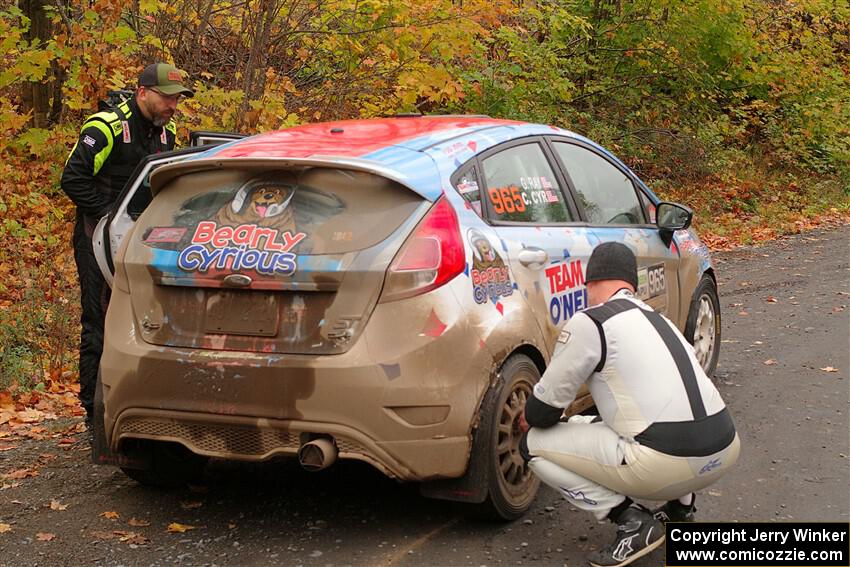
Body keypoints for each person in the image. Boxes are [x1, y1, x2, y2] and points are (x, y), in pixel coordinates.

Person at [520, 242, 740, 567]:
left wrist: (529, 416)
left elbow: (543, 412)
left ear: (592, 281)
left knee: (532, 444)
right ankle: (681, 510)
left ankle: (631, 521)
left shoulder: (591, 322)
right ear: (630, 285)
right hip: (723, 450)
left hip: (664, 464)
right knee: (632, 419)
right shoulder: (659, 321)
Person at [60, 63, 194, 427]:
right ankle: (95, 411)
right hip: (97, 236)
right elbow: (72, 179)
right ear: (143, 93)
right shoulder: (104, 127)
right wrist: (110, 215)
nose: (173, 105)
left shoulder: (167, 132)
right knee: (99, 318)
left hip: (145, 238)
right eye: (167, 97)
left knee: (147, 316)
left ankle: (144, 399)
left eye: (177, 98)